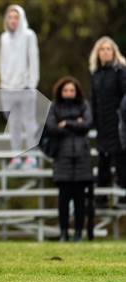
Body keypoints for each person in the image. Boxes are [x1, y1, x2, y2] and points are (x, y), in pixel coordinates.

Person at [47, 77, 93, 242]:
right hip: (62, 158)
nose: (69, 93)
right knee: (63, 200)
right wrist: (76, 125)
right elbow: (51, 127)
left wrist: (65, 123)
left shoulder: (84, 104)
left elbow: (88, 124)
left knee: (81, 200)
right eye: (66, 90)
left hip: (82, 158)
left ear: (76, 91)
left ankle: (79, 233)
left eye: (71, 90)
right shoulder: (54, 106)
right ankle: (64, 232)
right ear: (60, 91)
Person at [0, 4, 40, 170]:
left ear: (21, 18)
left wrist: (31, 84)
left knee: (29, 123)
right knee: (13, 124)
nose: (13, 20)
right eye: (10, 17)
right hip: (8, 88)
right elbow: (2, 61)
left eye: (16, 17)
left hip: (25, 87)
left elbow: (34, 60)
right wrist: (3, 83)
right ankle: (16, 157)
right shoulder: (4, 38)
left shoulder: (29, 35)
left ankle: (32, 157)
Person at [89, 36, 126, 207]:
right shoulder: (96, 74)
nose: (105, 52)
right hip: (103, 126)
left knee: (121, 161)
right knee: (103, 161)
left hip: (119, 125)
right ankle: (101, 198)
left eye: (108, 49)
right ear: (98, 53)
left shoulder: (120, 71)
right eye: (102, 49)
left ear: (113, 52)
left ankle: (123, 197)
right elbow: (94, 101)